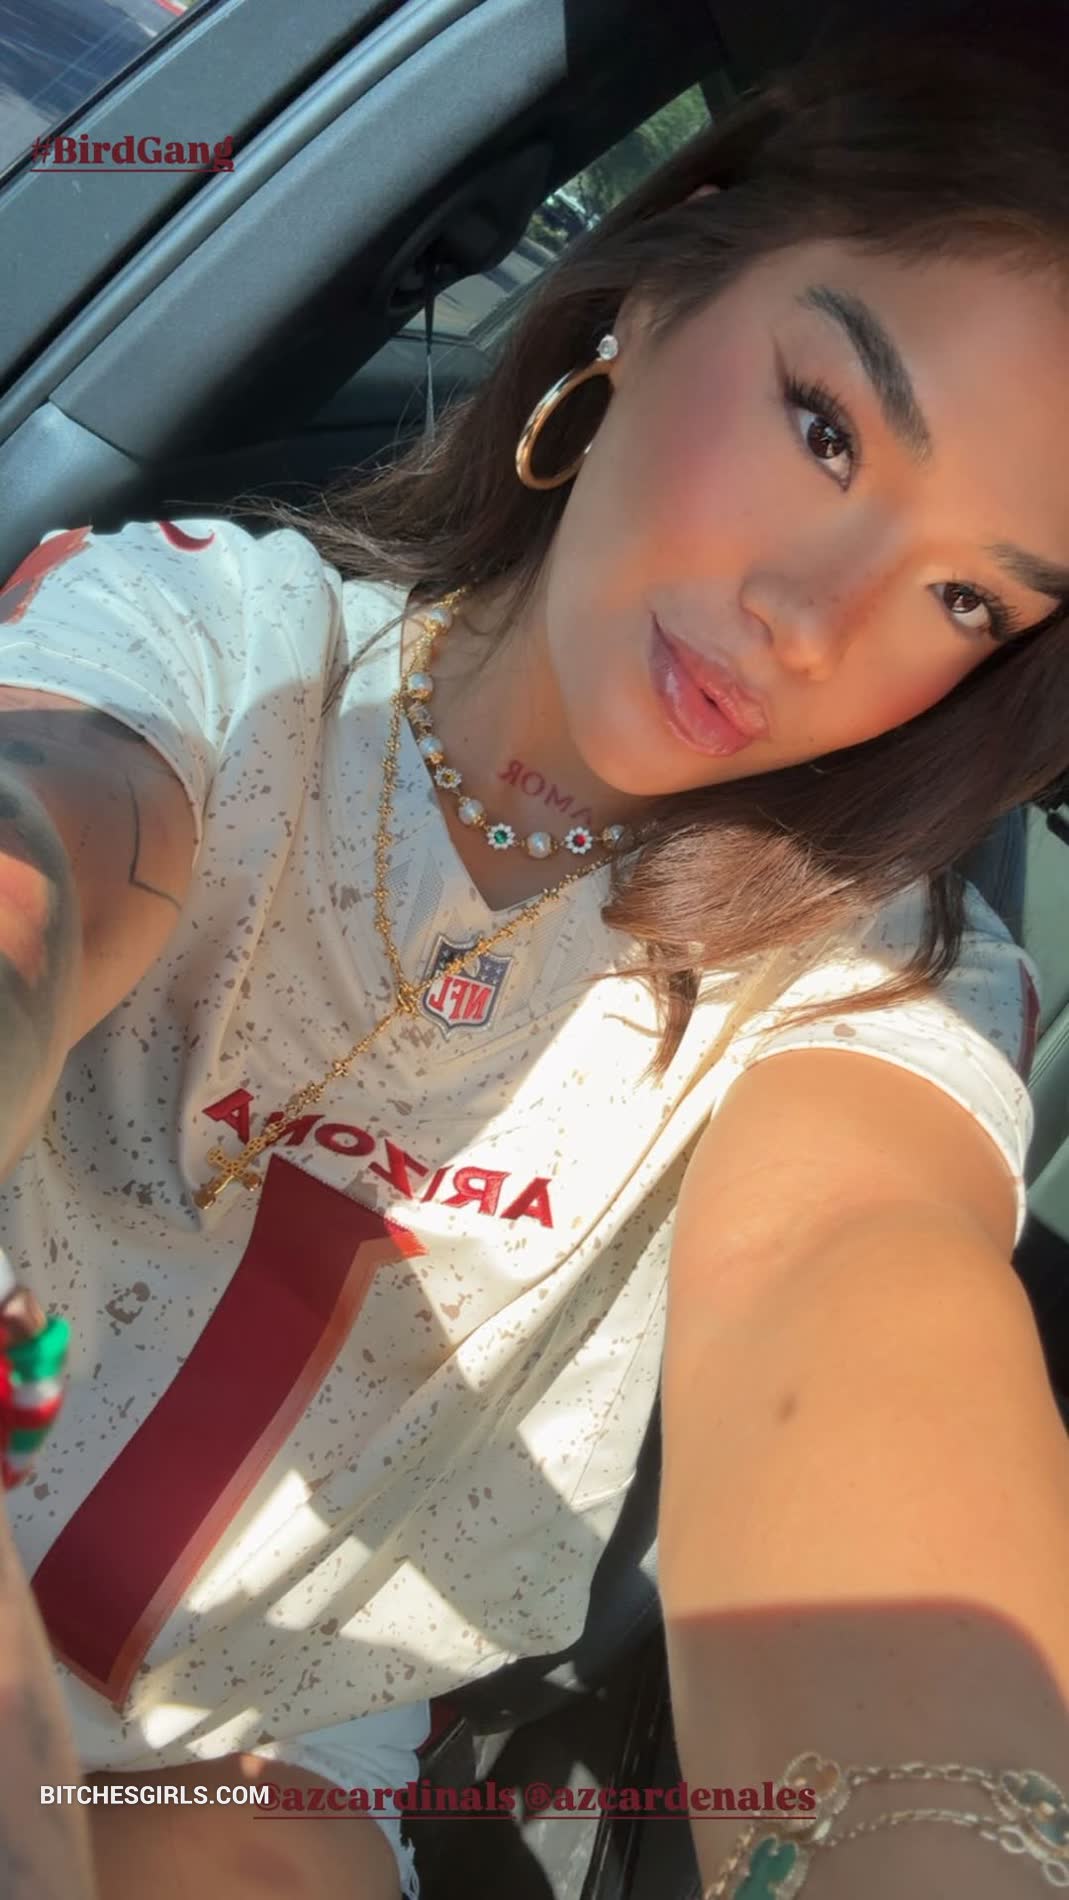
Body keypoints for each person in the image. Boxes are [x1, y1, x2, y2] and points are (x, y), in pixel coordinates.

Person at [0, 20, 1068, 1900]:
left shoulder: (862, 978)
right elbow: (55, 833)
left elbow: (846, 1277)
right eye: (826, 427)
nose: (811, 622)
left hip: (257, 1778)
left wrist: (938, 1842)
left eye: (965, 596)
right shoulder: (213, 645)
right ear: (648, 299)